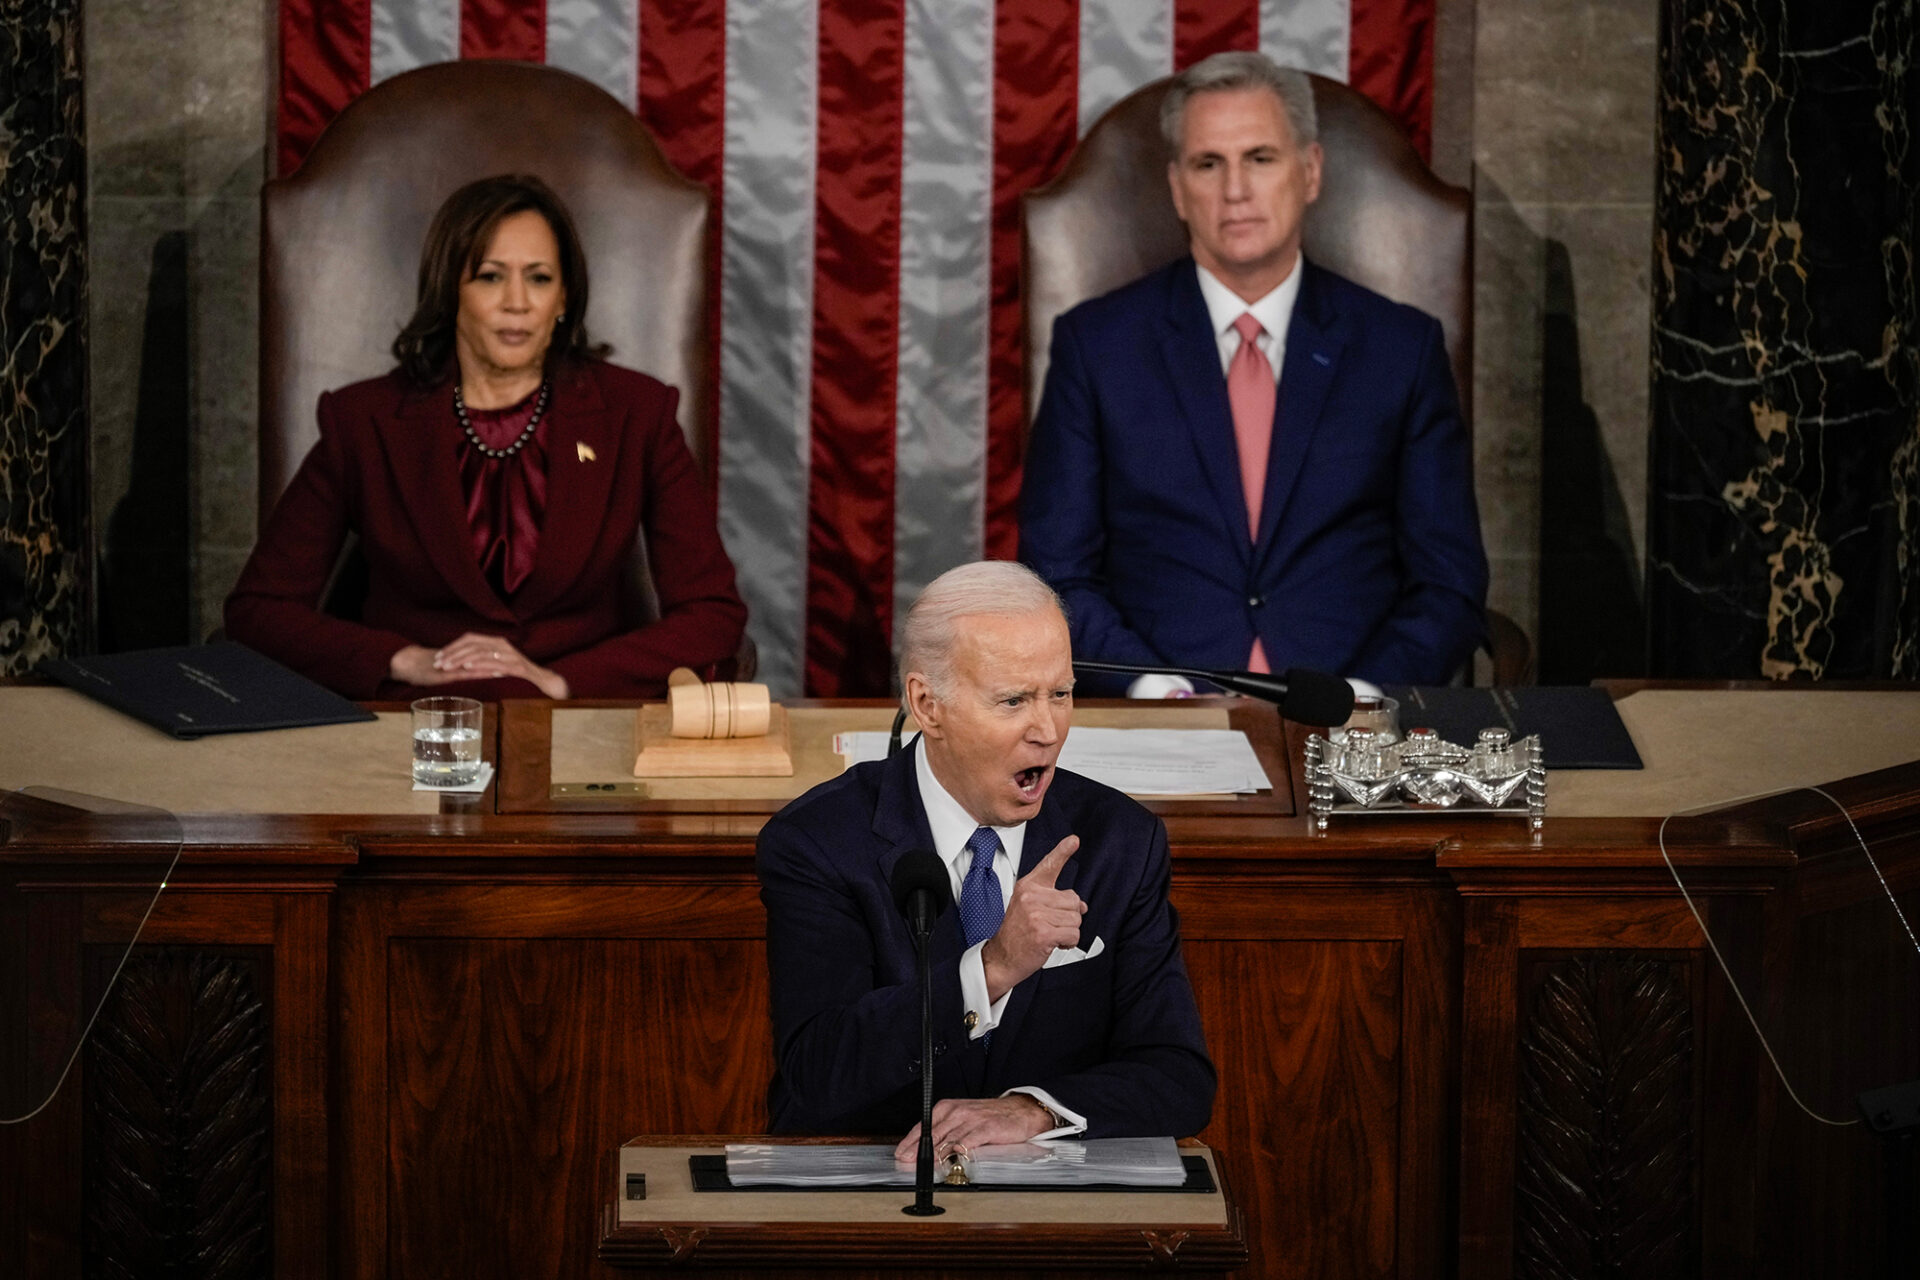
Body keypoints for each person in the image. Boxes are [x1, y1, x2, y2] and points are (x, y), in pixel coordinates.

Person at [1019, 52, 1488, 691]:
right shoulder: (1096, 346)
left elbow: (1448, 582)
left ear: (1311, 171)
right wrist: (1150, 687)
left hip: (1352, 719)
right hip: (1162, 720)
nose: (1235, 190)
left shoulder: (1401, 349)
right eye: (1209, 164)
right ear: (1178, 188)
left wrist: (1367, 695)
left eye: (1260, 158)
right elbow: (1057, 574)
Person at [225, 174, 746, 700]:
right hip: (416, 725)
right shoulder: (365, 422)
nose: (517, 302)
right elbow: (258, 611)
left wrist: (561, 682)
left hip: (579, 723)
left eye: (539, 279)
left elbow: (713, 613)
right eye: (491, 277)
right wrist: (405, 661)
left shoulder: (638, 414)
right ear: (451, 288)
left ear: (563, 297)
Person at [756, 560, 1215, 1156]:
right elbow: (818, 1073)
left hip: (1052, 1220)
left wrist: (1034, 1111)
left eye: (1061, 694)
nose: (1047, 729)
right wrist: (992, 969)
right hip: (871, 1198)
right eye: (1013, 700)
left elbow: (1178, 1076)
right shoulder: (819, 841)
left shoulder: (1121, 841)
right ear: (927, 705)